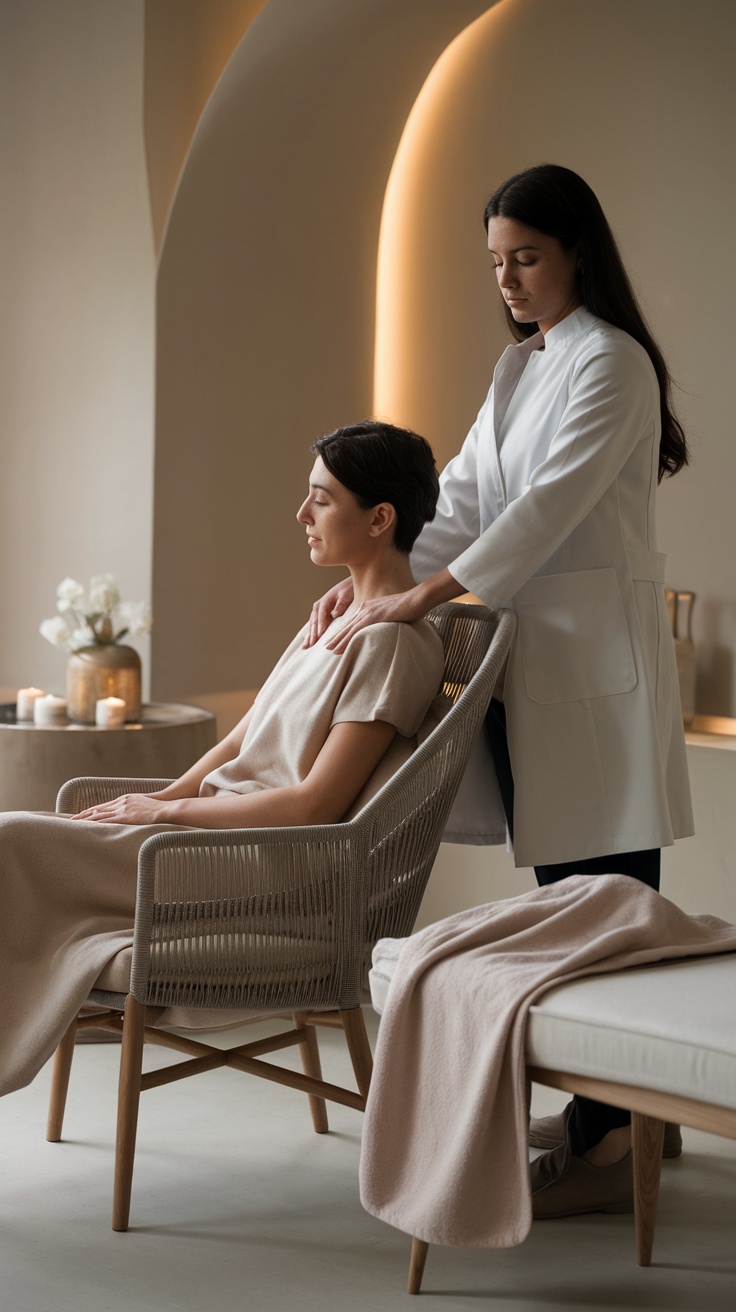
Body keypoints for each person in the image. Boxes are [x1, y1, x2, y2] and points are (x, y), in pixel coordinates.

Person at [307, 165, 694, 1216]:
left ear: (575, 249)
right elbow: (468, 496)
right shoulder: (518, 368)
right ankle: (615, 1116)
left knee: (609, 899)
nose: (510, 279)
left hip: (595, 671)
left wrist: (424, 592)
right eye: (496, 263)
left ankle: (619, 1140)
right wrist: (365, 589)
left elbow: (551, 507)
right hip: (532, 668)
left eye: (524, 256)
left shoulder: (613, 365)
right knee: (560, 904)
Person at [0, 421, 445, 1097]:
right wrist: (157, 804)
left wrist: (167, 810)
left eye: (321, 499)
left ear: (380, 517)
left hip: (264, 864)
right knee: (22, 842)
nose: (301, 514)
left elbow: (315, 805)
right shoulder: (331, 617)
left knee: (11, 839)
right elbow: (245, 737)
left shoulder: (391, 647)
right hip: (205, 836)